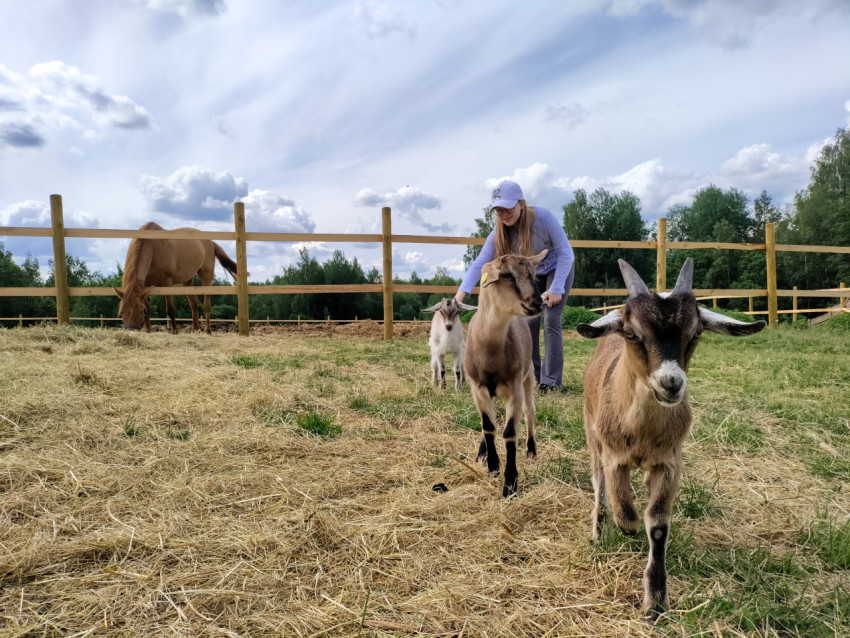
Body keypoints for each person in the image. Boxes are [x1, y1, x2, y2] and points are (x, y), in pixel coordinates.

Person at [454, 179, 575, 393]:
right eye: (498, 210)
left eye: (508, 207)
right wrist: (460, 296)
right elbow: (481, 263)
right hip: (527, 275)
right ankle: (533, 376)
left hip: (558, 270)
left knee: (551, 320)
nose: (504, 214)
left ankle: (551, 381)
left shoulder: (545, 219)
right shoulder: (498, 233)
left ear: (521, 203)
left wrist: (557, 288)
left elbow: (566, 253)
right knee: (528, 322)